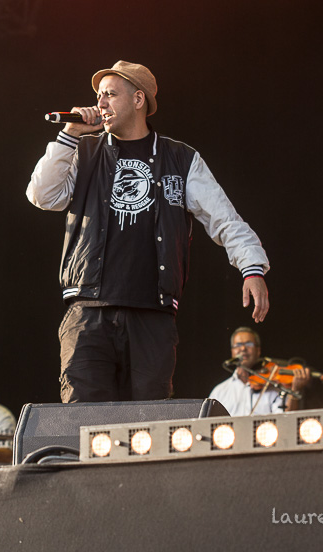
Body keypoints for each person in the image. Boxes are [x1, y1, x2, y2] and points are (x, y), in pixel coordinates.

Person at [27, 60, 270, 403]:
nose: (101, 104)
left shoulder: (180, 159)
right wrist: (69, 135)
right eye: (99, 96)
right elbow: (43, 195)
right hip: (88, 312)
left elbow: (224, 218)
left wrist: (252, 267)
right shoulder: (84, 151)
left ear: (138, 99)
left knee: (147, 420)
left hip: (151, 314)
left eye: (110, 94)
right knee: (82, 419)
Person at [210, 327, 308, 415]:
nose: (243, 348)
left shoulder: (273, 387)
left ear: (258, 350)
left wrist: (295, 390)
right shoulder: (219, 392)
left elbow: (286, 421)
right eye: (238, 345)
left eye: (249, 344)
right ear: (232, 351)